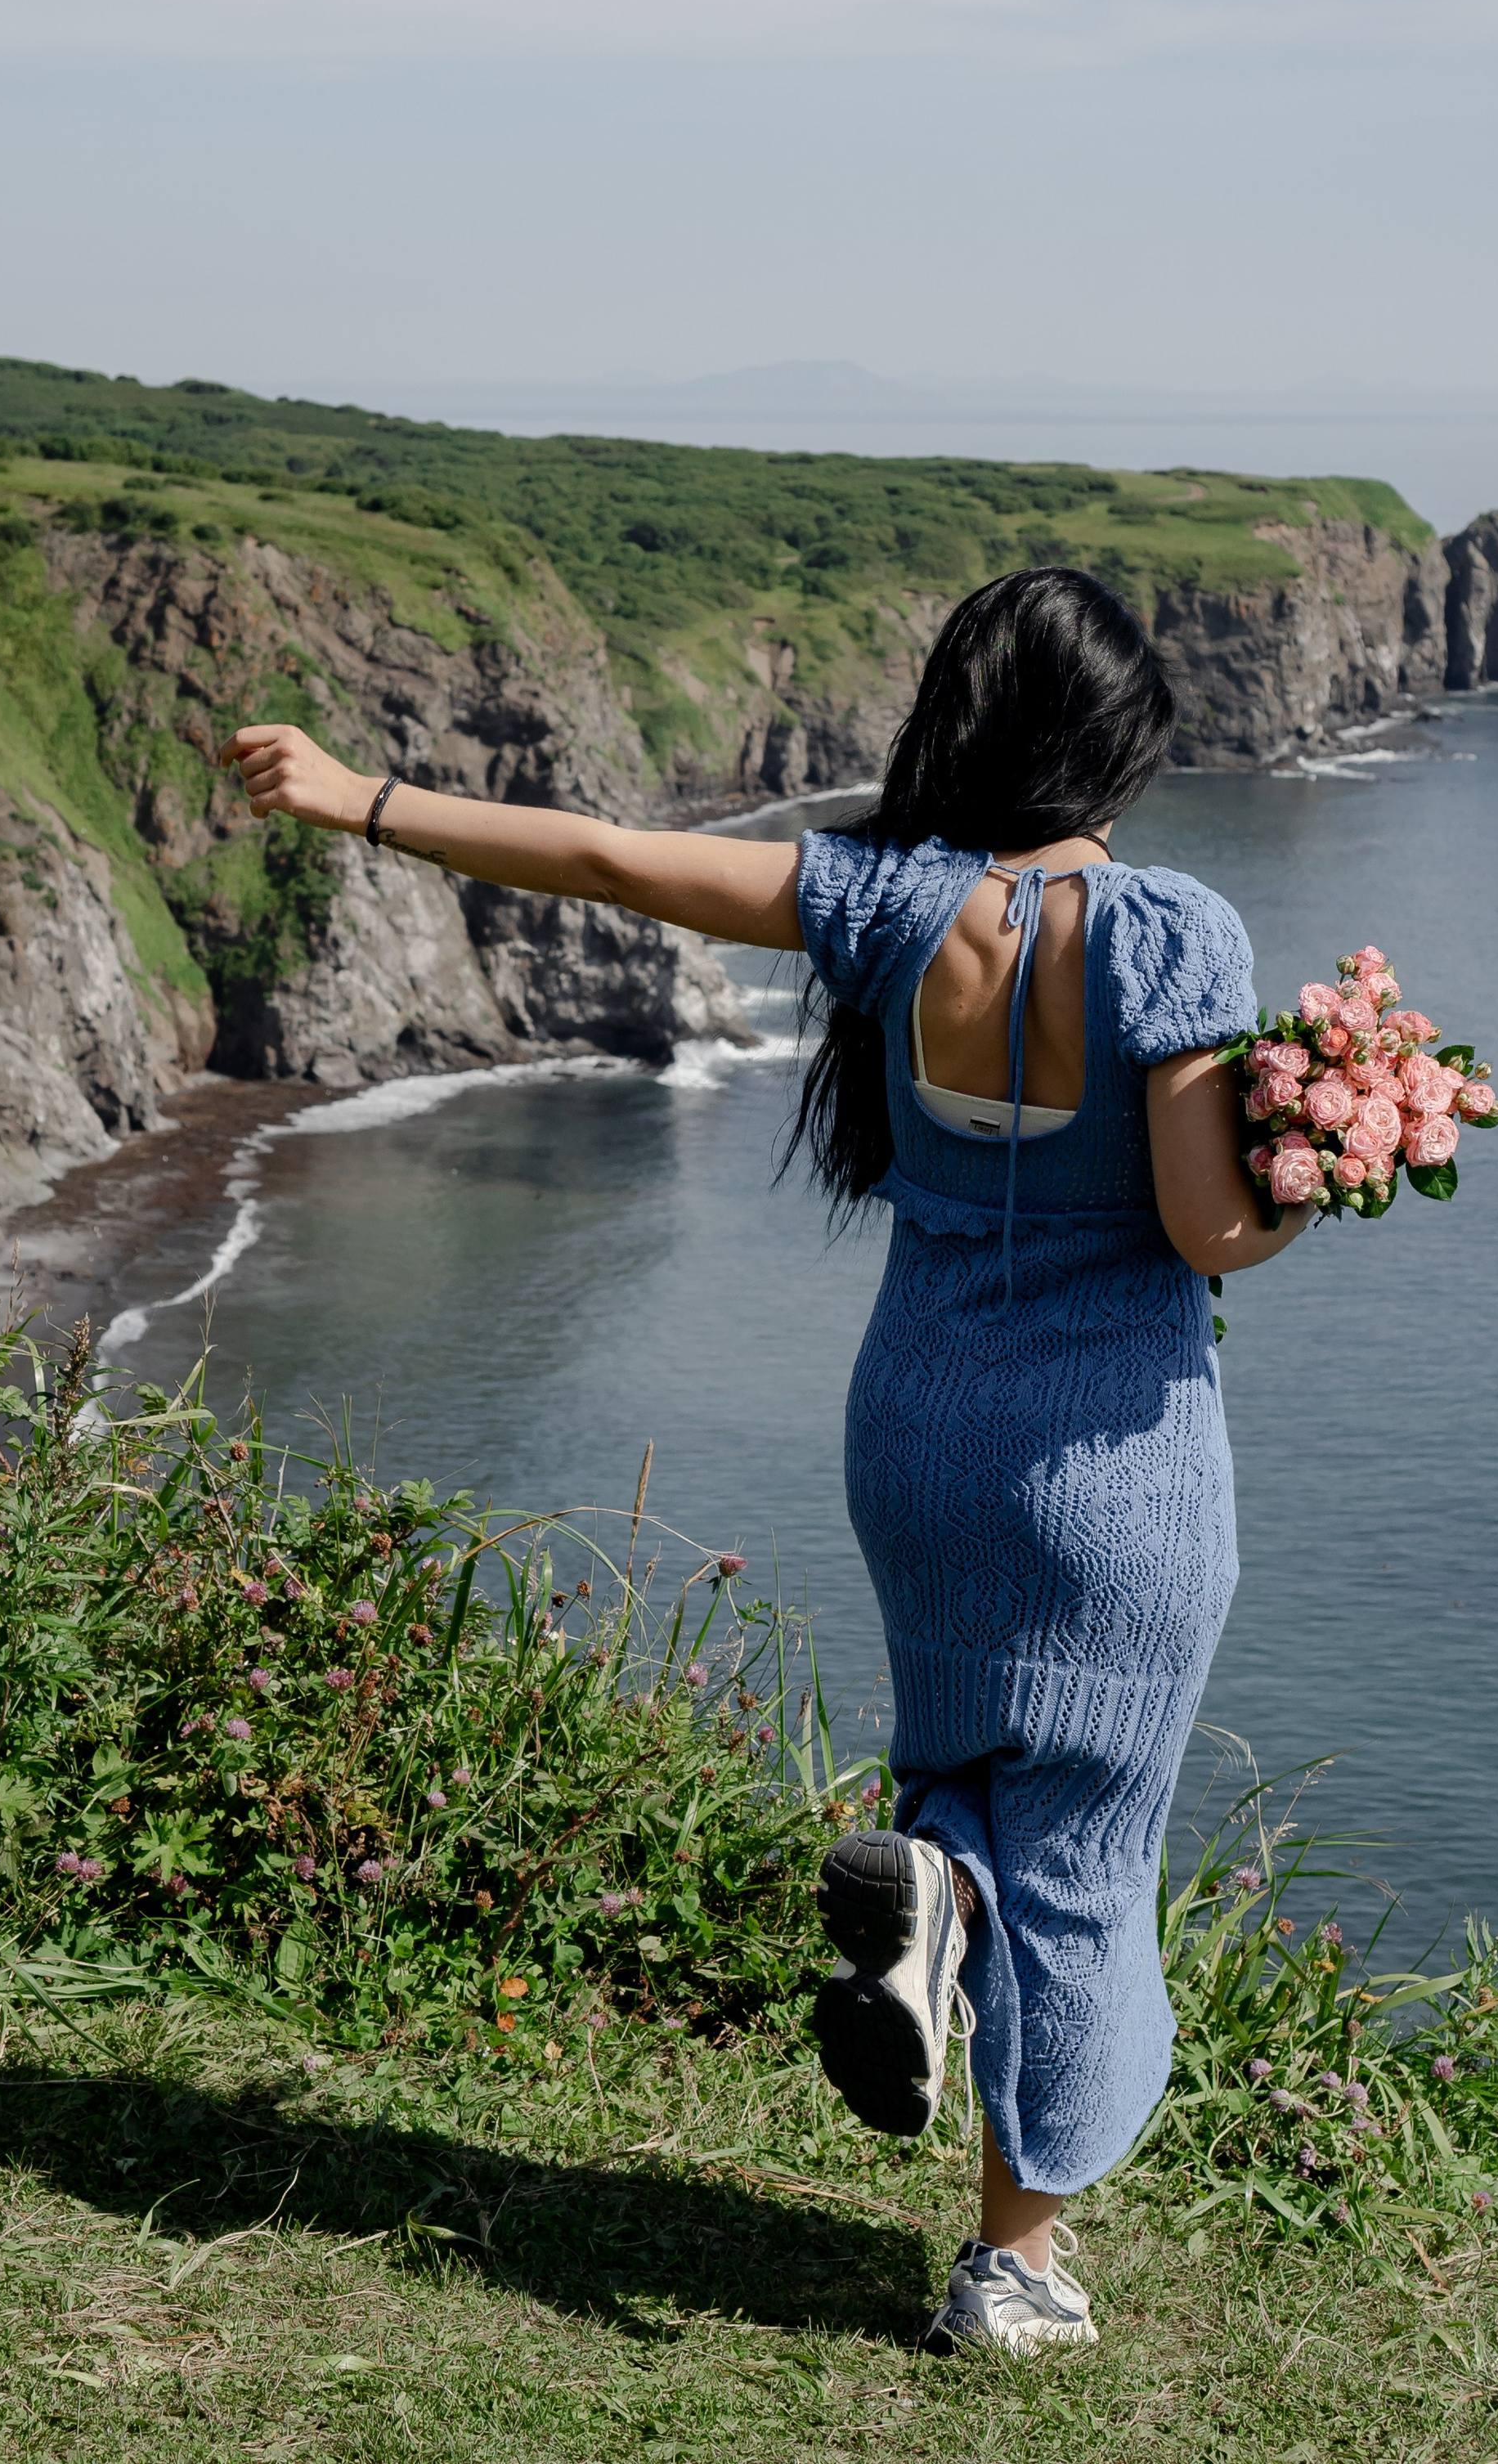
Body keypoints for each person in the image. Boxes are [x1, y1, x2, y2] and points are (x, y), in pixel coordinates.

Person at [220, 564, 1311, 2360]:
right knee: (1090, 1854)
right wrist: (1320, 1179)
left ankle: (933, 1896)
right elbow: (1205, 1230)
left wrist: (359, 797)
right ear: (1123, 738)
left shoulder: (880, 904)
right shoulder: (1172, 933)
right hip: (1113, 1468)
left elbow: (597, 856)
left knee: (958, 1762)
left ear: (960, 718)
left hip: (918, 1434)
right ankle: (1011, 2263)